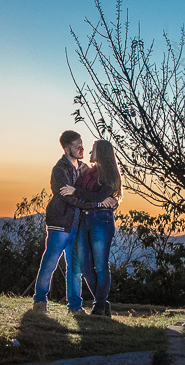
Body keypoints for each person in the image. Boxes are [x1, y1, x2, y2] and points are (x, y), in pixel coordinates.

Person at [60, 140, 122, 317]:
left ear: (101, 152)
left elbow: (97, 195)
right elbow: (88, 195)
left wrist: (79, 194)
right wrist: (89, 199)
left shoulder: (110, 174)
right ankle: (103, 302)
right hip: (84, 219)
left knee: (101, 266)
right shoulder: (88, 172)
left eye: (93, 150)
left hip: (102, 220)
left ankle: (99, 306)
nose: (89, 153)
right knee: (85, 265)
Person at [31, 131, 86, 314]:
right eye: (77, 146)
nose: (82, 149)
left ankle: (75, 307)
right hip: (60, 223)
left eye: (82, 145)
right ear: (66, 148)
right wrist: (87, 199)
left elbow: (82, 193)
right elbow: (66, 195)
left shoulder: (84, 169)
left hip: (78, 224)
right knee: (50, 262)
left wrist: (80, 194)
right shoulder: (60, 169)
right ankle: (40, 301)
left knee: (75, 267)